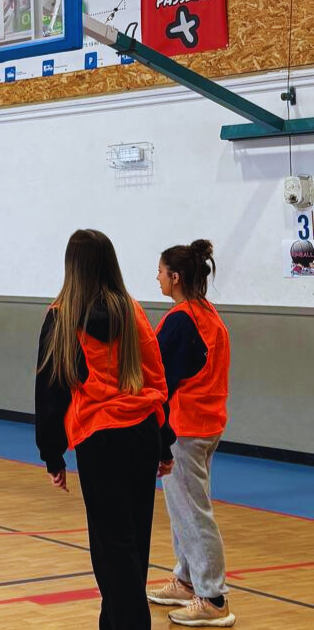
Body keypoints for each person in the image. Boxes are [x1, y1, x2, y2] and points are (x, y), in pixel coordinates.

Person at [35, 228, 174, 630]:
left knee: (112, 548)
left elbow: (50, 389)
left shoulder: (61, 316)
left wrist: (52, 452)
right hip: (142, 433)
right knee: (133, 543)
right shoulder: (131, 311)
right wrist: (164, 444)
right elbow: (156, 379)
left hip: (100, 439)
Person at [147, 240, 236, 627]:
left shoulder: (182, 320)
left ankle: (213, 597)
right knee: (184, 509)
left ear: (176, 277)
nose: (157, 277)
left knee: (193, 512)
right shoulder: (208, 314)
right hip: (206, 424)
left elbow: (158, 375)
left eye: (161, 271)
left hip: (187, 427)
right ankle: (186, 579)